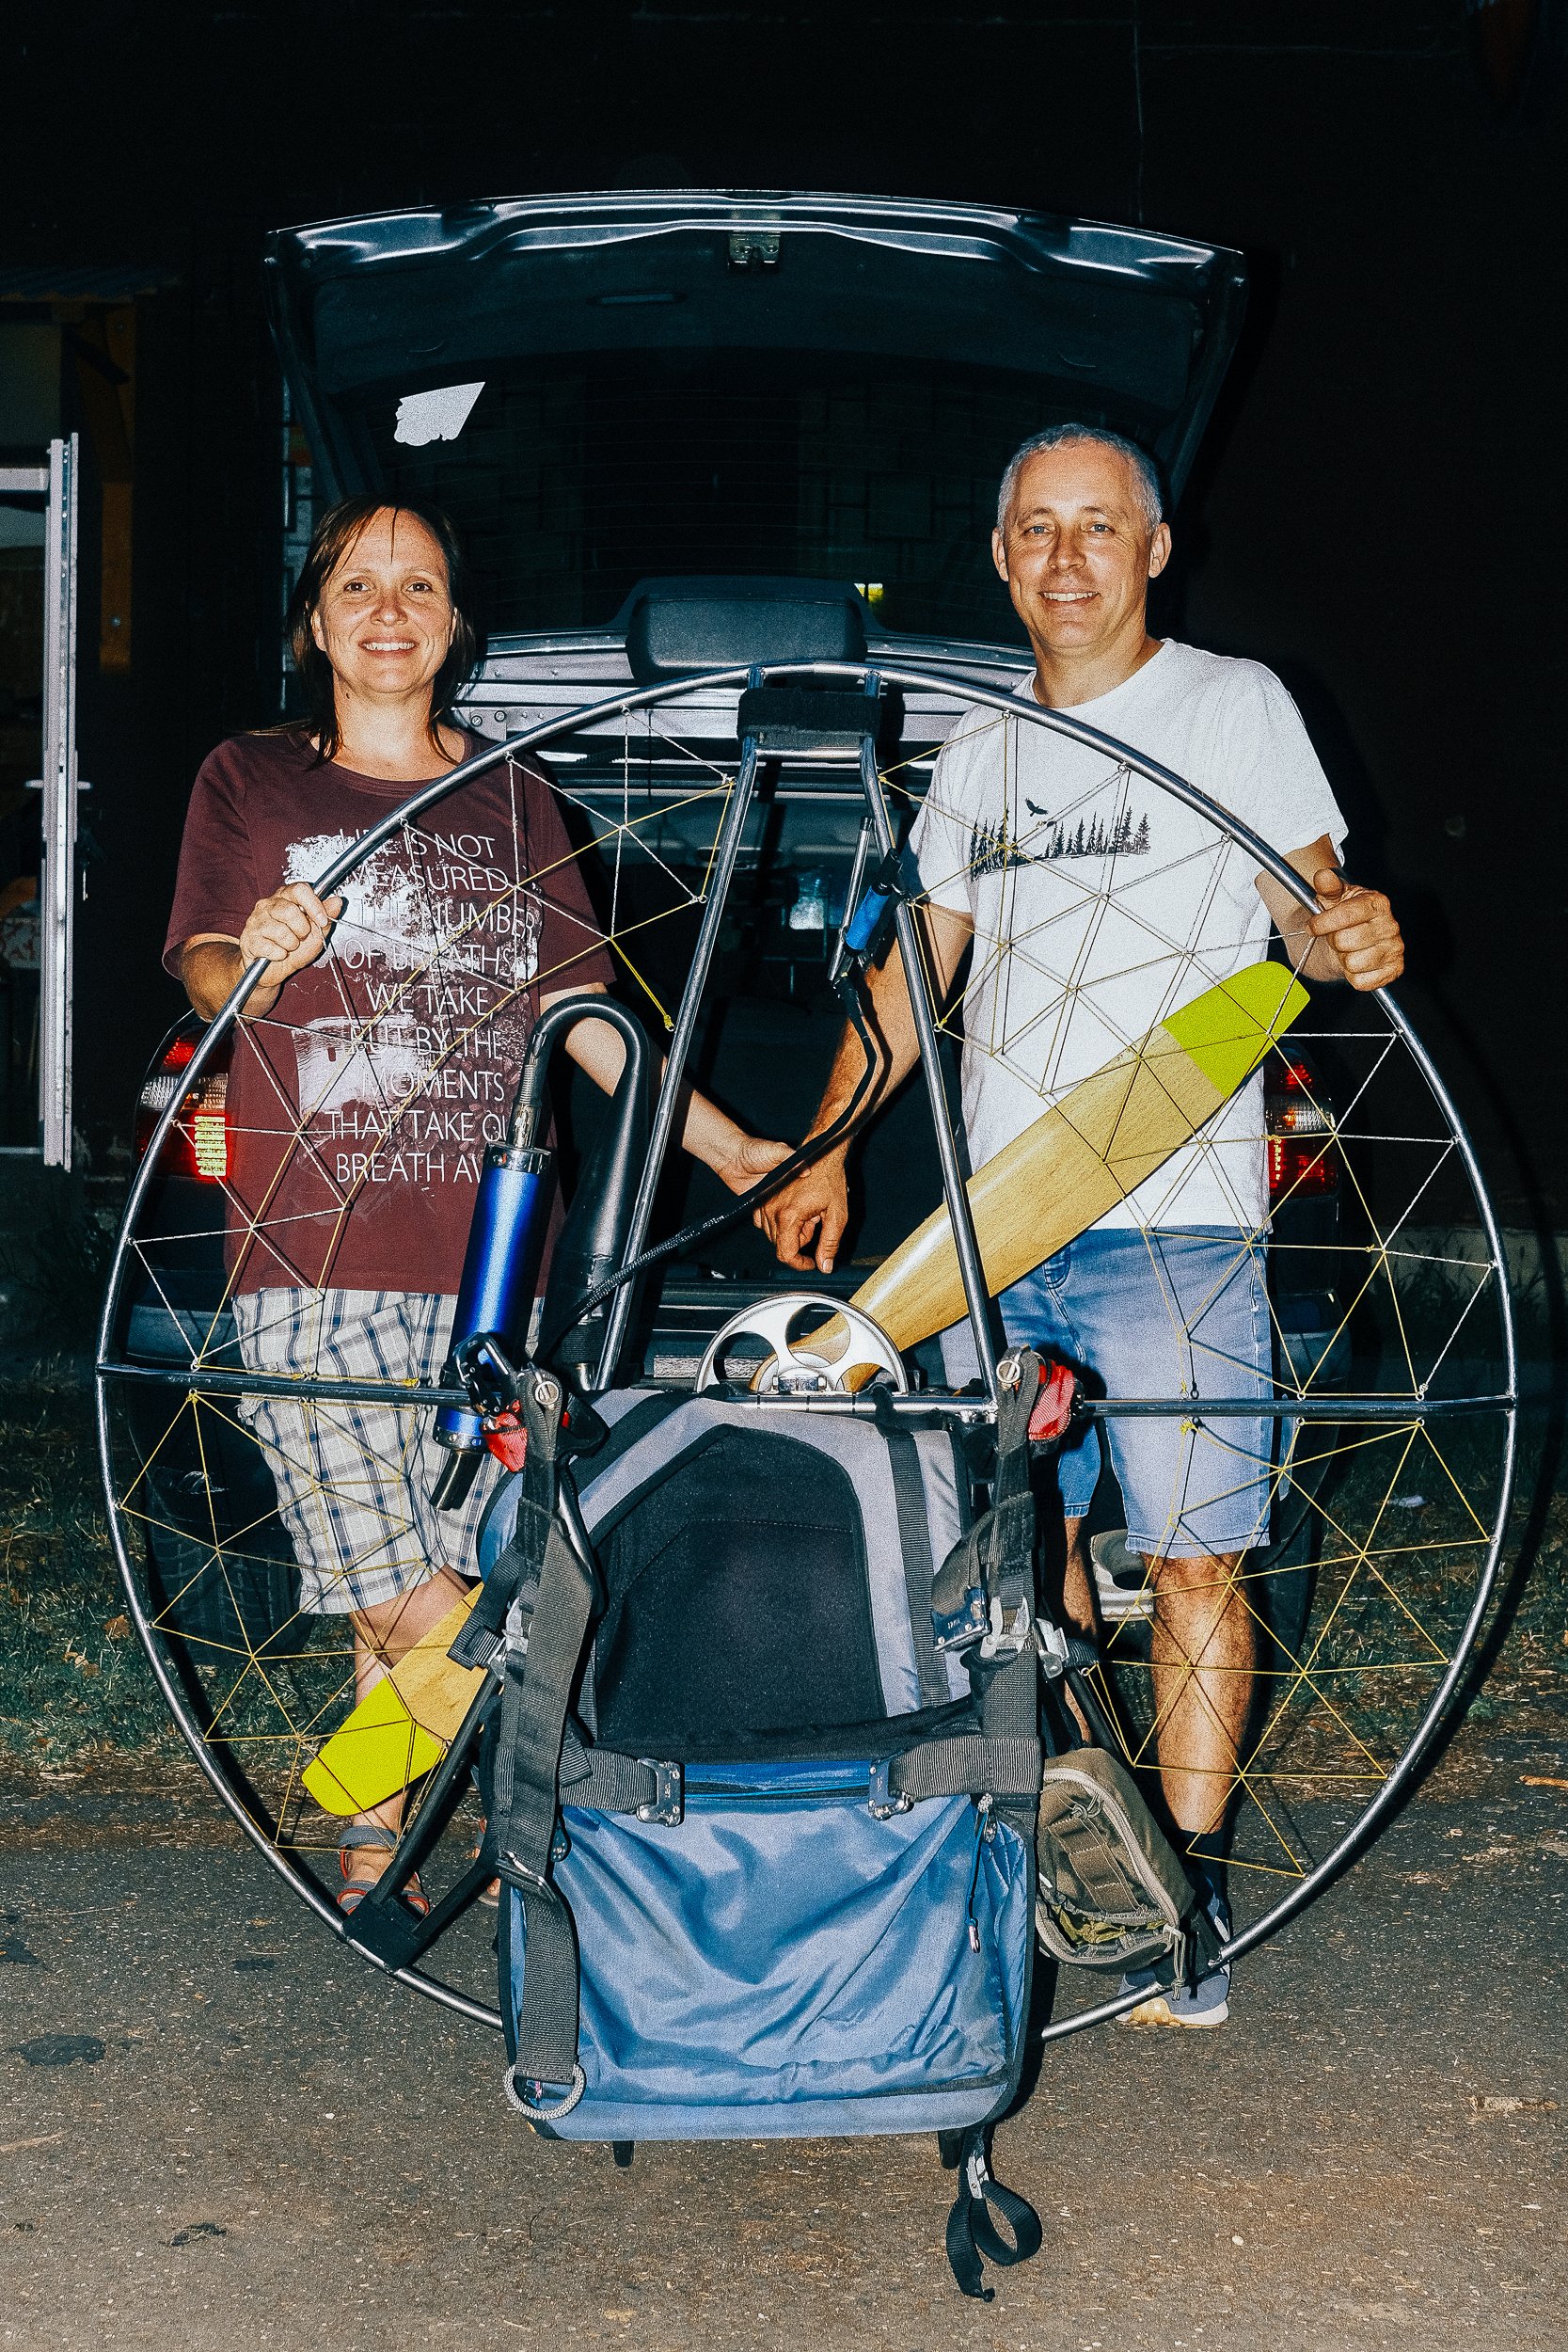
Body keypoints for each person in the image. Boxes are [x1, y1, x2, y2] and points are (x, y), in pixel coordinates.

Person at [757, 423, 1404, 2026]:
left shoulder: (1233, 706)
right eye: (1036, 529)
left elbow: (1306, 916)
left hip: (1179, 1223)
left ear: (1155, 549)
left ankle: (1191, 1896)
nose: (1066, 558)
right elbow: (912, 978)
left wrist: (1350, 936)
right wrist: (829, 1147)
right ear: (999, 558)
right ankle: (1069, 1845)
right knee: (1013, 1567)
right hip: (999, 1236)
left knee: (1194, 1564)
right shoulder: (977, 748)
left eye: (1098, 527)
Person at [166, 495, 785, 1913]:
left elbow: (591, 1020)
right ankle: (580, 1804)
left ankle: (373, 1831)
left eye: (419, 587)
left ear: (456, 624)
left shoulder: (514, 798)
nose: (389, 611)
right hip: (309, 1253)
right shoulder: (251, 778)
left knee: (436, 1560)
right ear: (316, 623)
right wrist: (251, 956)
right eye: (358, 586)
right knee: (409, 1591)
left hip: (498, 1266)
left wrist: (730, 1147)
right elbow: (203, 973)